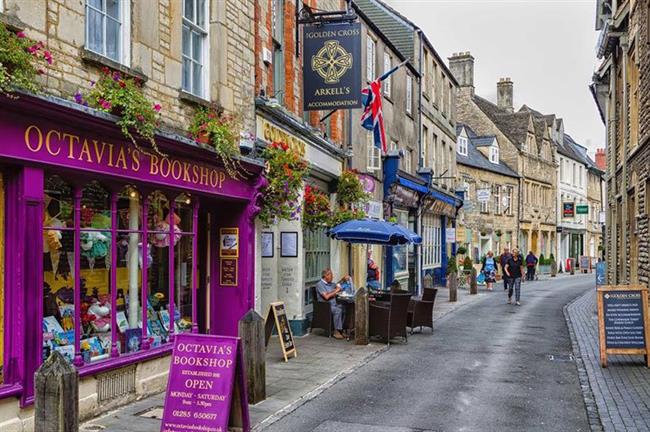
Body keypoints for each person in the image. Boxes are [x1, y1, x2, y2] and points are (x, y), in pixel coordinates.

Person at [316, 268, 345, 339]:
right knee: (337, 310)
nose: (332, 278)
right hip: (325, 306)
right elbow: (326, 297)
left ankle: (341, 329)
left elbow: (338, 285)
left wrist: (343, 280)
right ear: (326, 276)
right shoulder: (320, 284)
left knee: (344, 308)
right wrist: (336, 291)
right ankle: (336, 331)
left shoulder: (331, 284)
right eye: (331, 276)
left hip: (333, 304)